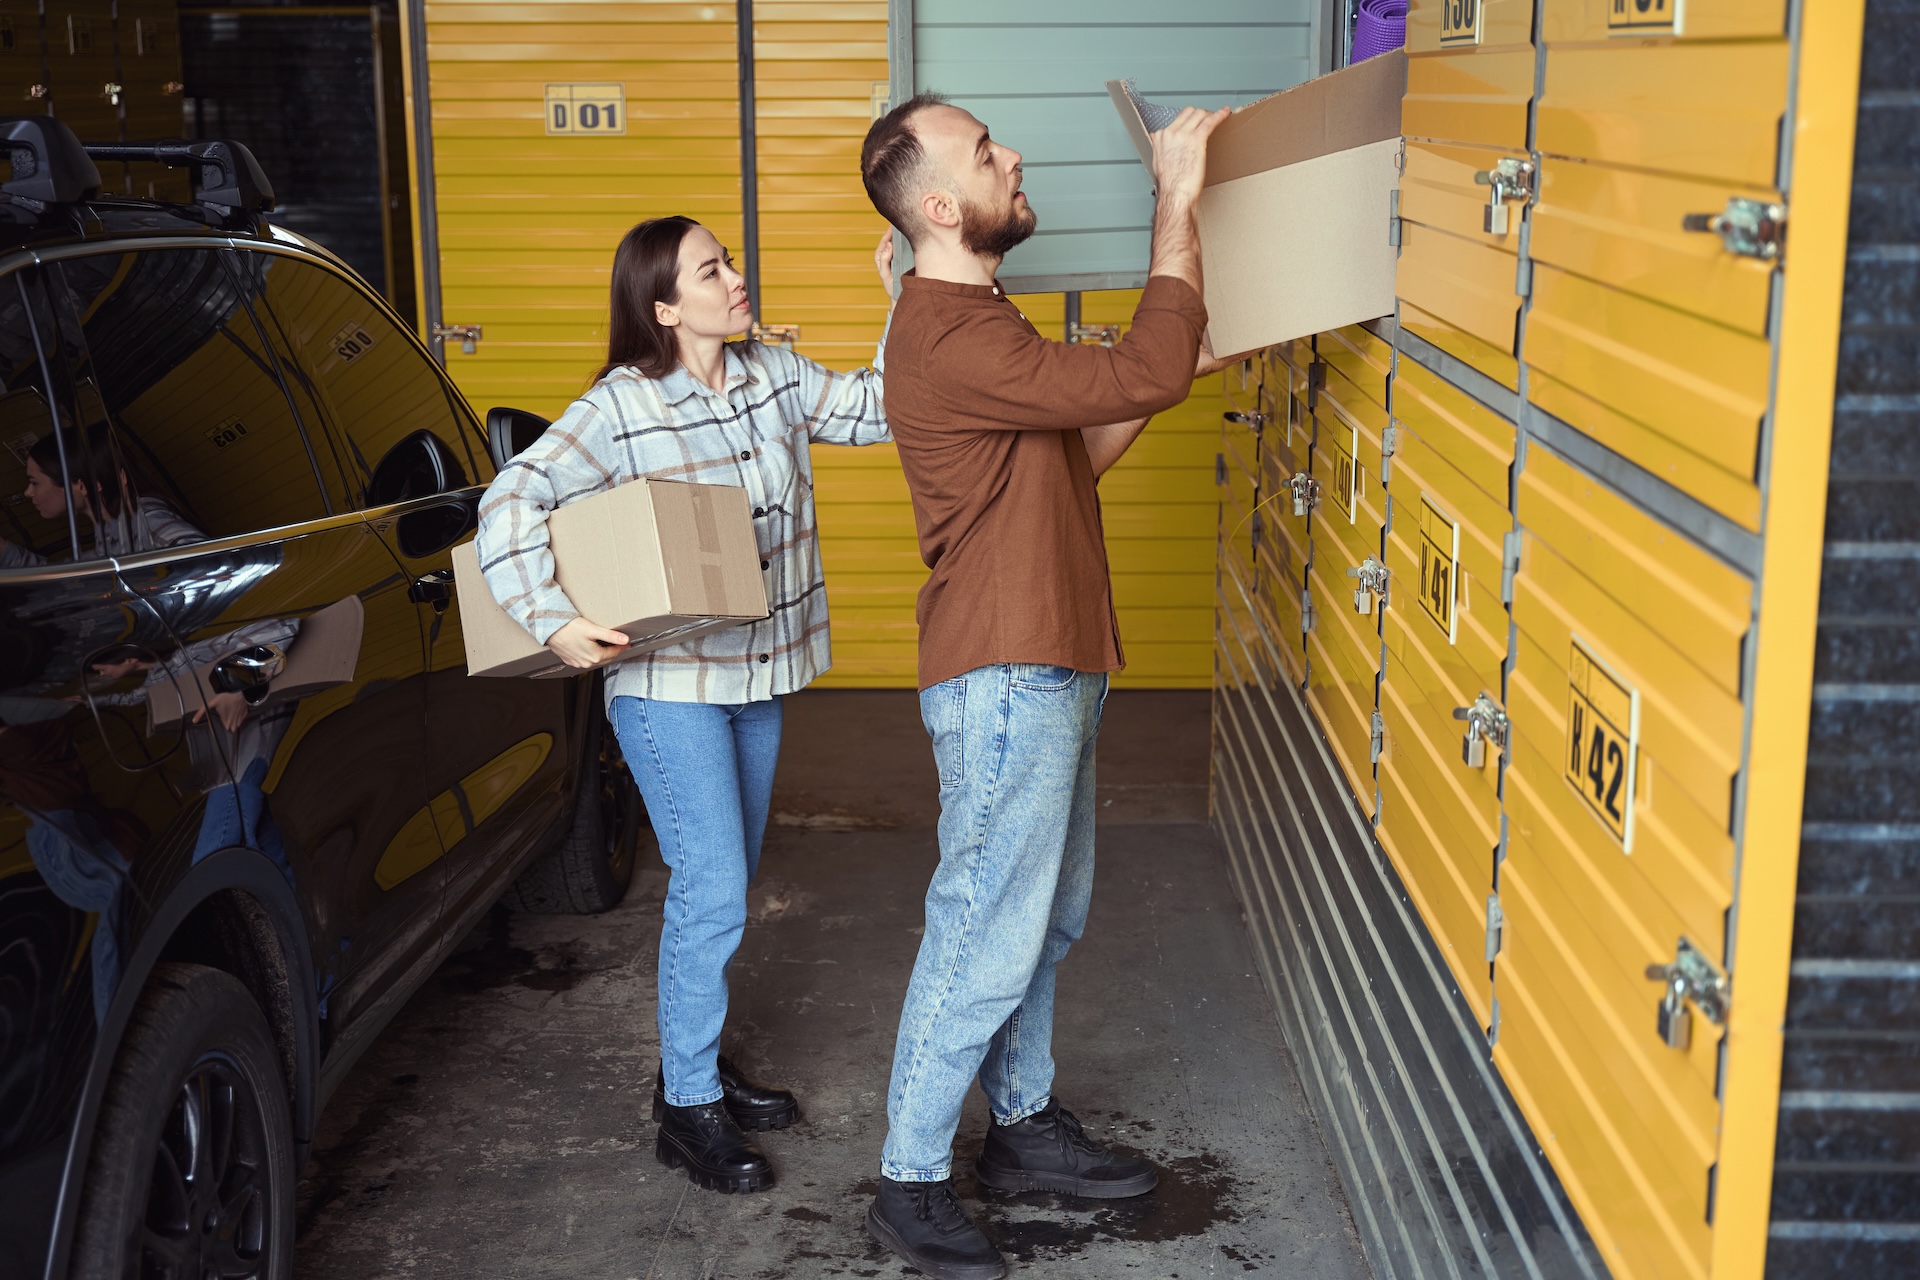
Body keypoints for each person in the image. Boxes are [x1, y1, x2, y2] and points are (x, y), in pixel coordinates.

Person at [856, 93, 1230, 1278]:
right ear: (937, 205)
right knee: (981, 927)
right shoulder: (953, 332)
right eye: (984, 152)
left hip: (1051, 658)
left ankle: (1020, 1126)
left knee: (1040, 921)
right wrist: (1176, 200)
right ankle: (909, 1178)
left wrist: (1150, 380)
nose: (1011, 156)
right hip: (1007, 671)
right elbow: (1150, 365)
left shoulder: (980, 320)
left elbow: (1081, 446)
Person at [477, 215, 894, 1196]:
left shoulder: (774, 378)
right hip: (669, 689)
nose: (736, 277)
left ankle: (693, 1064)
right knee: (710, 888)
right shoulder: (624, 407)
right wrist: (553, 619)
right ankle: (688, 1107)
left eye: (732, 261)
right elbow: (511, 498)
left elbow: (880, 410)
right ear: (664, 306)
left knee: (729, 883)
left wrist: (903, 295)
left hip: (755, 679)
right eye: (713, 270)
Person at [2, 422, 203, 567]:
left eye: (34, 482)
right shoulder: (111, 530)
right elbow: (68, 580)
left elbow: (211, 564)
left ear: (81, 483)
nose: (28, 492)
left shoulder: (143, 520)